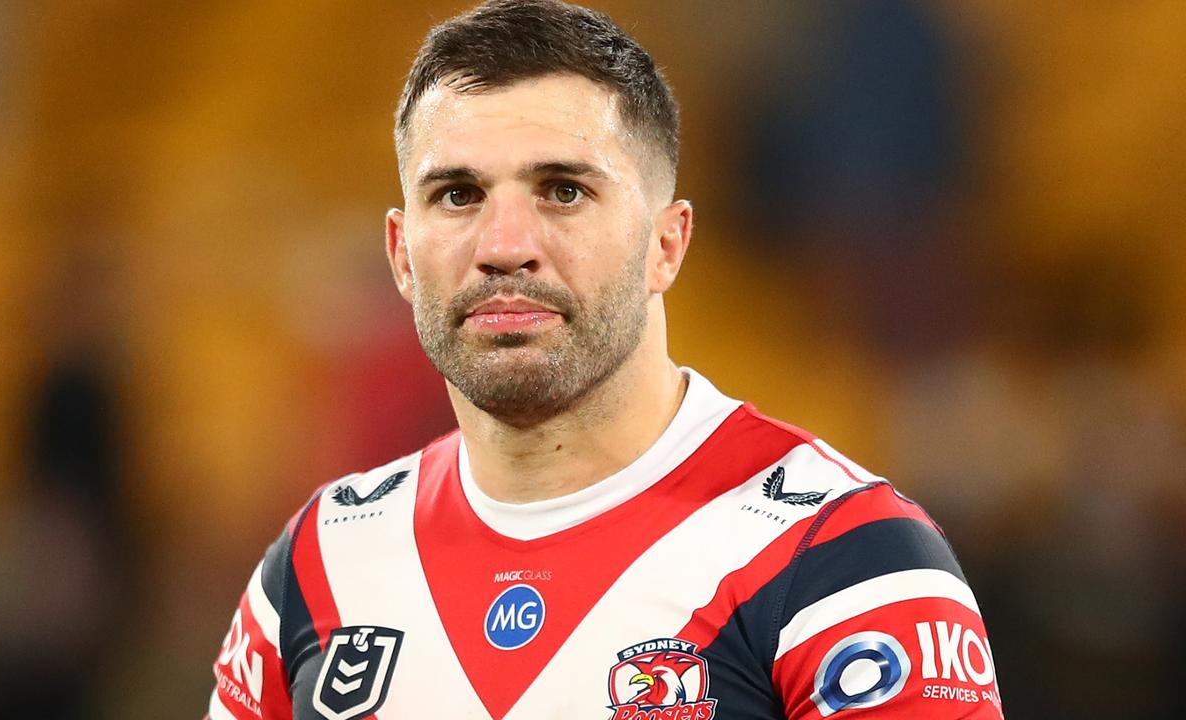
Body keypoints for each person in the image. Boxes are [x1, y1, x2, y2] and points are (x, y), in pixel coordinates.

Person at [207, 1, 1003, 718]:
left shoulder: (840, 559)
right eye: (457, 195)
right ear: (401, 254)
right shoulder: (319, 565)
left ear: (667, 244)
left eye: (563, 191)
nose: (504, 248)